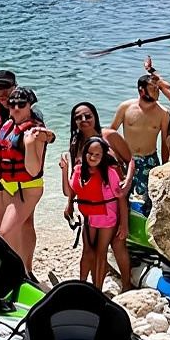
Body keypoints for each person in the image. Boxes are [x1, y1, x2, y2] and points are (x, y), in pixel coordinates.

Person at [63, 102, 135, 291]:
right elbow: (76, 176)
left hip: (115, 197)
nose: (83, 120)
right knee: (91, 247)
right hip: (90, 202)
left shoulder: (109, 135)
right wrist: (69, 203)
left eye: (88, 116)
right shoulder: (76, 143)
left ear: (95, 116)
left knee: (118, 244)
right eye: (78, 117)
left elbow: (130, 160)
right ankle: (93, 286)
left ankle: (127, 286)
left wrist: (127, 182)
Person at [0, 87, 55, 270]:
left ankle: (17, 271)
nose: (16, 108)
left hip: (27, 188)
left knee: (6, 232)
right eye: (12, 104)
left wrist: (30, 143)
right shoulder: (8, 126)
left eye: (21, 104)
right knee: (22, 227)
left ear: (30, 106)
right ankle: (26, 269)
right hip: (8, 184)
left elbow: (33, 170)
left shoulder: (35, 132)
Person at [0, 70, 44, 232]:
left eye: (6, 87)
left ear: (15, 87)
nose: (2, 93)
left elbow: (41, 141)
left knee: (26, 221)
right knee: (1, 218)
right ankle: (3, 246)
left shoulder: (32, 113)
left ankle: (21, 250)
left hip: (25, 174)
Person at [64, 137, 126, 290]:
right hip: (89, 217)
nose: (93, 157)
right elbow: (69, 191)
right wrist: (64, 171)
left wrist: (124, 224)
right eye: (90, 153)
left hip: (107, 216)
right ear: (84, 153)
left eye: (97, 155)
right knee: (87, 251)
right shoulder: (78, 171)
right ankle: (82, 285)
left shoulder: (110, 173)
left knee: (101, 252)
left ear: (103, 156)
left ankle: (97, 290)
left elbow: (121, 199)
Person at [111, 73, 170, 214]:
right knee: (119, 197)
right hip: (126, 159)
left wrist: (165, 167)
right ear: (141, 90)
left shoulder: (163, 113)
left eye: (158, 89)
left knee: (150, 200)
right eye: (153, 88)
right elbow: (111, 133)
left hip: (149, 160)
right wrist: (114, 157)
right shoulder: (126, 107)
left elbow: (165, 142)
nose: (157, 91)